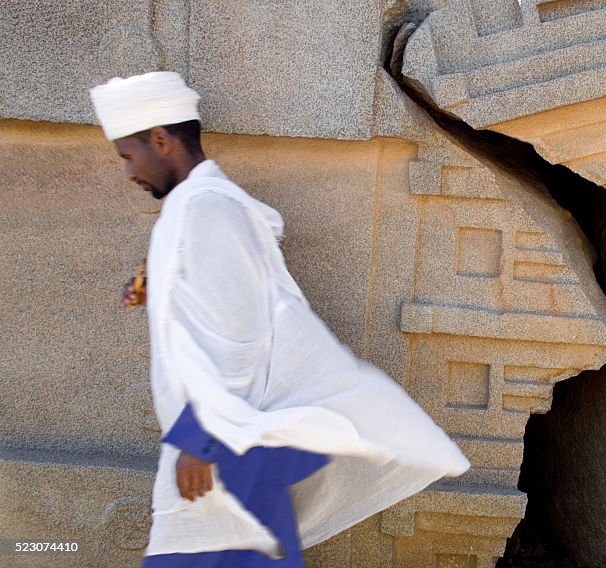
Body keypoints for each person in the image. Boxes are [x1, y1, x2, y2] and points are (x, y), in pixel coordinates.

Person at [90, 71, 470, 566]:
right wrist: (159, 283)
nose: (127, 173)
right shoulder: (202, 205)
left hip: (223, 435)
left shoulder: (208, 210)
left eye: (128, 155)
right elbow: (222, 289)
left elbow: (241, 333)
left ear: (161, 140)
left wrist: (198, 440)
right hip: (227, 433)